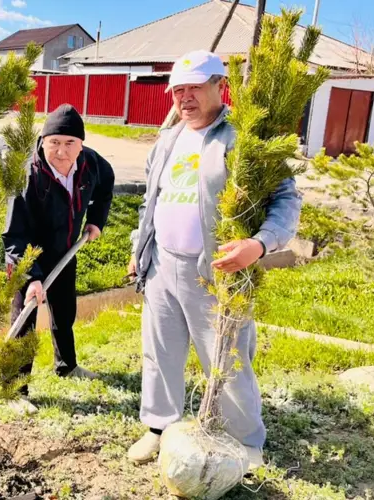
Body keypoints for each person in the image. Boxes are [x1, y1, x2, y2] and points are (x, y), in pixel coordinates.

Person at [126, 50, 302, 468]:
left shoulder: (242, 140)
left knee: (227, 358)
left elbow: (286, 199)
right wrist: (140, 247)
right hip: (161, 266)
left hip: (216, 273)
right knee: (160, 351)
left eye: (194, 88)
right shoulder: (168, 139)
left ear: (218, 87)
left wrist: (259, 245)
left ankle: (246, 442)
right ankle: (160, 426)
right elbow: (151, 203)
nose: (185, 98)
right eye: (178, 90)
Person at [3, 104, 115, 414]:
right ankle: (15, 389)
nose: (62, 152)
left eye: (70, 143)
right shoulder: (26, 176)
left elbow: (105, 188)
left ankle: (67, 366)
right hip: (28, 257)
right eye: (54, 143)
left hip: (66, 251)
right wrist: (31, 277)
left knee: (64, 312)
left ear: (81, 144)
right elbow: (14, 235)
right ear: (42, 142)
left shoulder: (91, 164)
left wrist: (96, 221)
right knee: (24, 322)